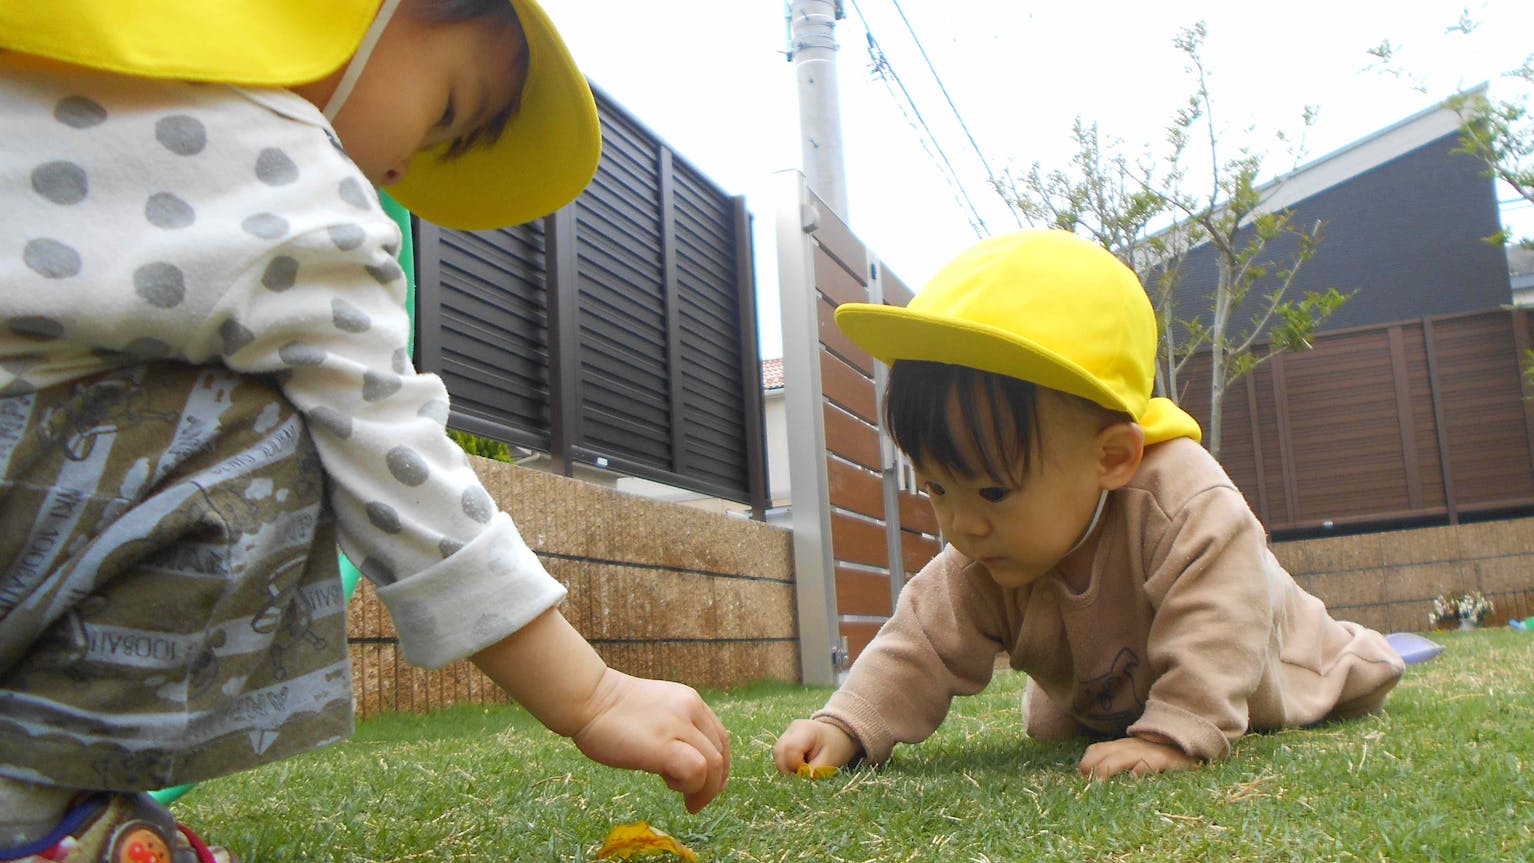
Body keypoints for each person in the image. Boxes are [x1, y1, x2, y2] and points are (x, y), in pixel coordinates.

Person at [0, 1, 729, 859]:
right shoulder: (287, 170)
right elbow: (388, 445)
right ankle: (30, 805)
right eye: (448, 111)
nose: (399, 166)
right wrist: (594, 693)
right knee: (275, 435)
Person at [771, 230, 1403, 783]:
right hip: (1112, 693)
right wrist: (848, 725)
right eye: (938, 488)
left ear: (1111, 458)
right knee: (1055, 724)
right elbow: (920, 643)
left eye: (992, 489)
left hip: (1274, 659)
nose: (962, 525)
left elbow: (1224, 615)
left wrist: (1177, 730)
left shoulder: (1183, 501)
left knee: (1346, 675)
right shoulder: (986, 550)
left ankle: (1372, 650)